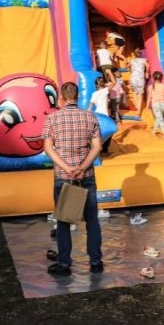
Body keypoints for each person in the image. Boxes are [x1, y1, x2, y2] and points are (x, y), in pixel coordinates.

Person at [42, 82, 104, 276]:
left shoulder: (52, 118)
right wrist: (82, 167)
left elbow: (48, 148)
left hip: (64, 176)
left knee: (63, 220)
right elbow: (97, 147)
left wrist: (67, 168)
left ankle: (64, 263)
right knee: (92, 220)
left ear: (61, 97)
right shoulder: (90, 117)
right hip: (86, 176)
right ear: (78, 96)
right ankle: (95, 262)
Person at [129, 48, 149, 118]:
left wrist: (130, 70)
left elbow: (128, 66)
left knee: (134, 92)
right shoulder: (144, 60)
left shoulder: (132, 60)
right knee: (140, 94)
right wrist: (147, 72)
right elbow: (147, 65)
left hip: (133, 78)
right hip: (140, 78)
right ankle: (138, 111)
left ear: (134, 55)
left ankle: (137, 105)